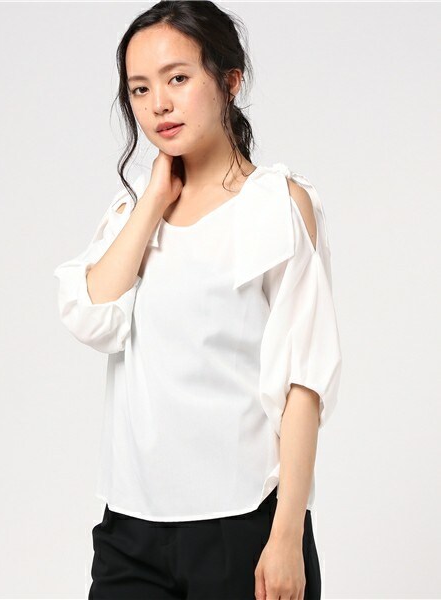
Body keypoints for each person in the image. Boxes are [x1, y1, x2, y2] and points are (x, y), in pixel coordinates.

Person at [53, 1, 343, 598]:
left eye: (178, 78)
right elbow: (91, 318)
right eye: (139, 88)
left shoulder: (276, 206)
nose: (158, 103)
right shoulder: (133, 212)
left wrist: (287, 534)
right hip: (129, 530)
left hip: (243, 524)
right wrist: (153, 202)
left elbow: (304, 382)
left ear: (230, 82)